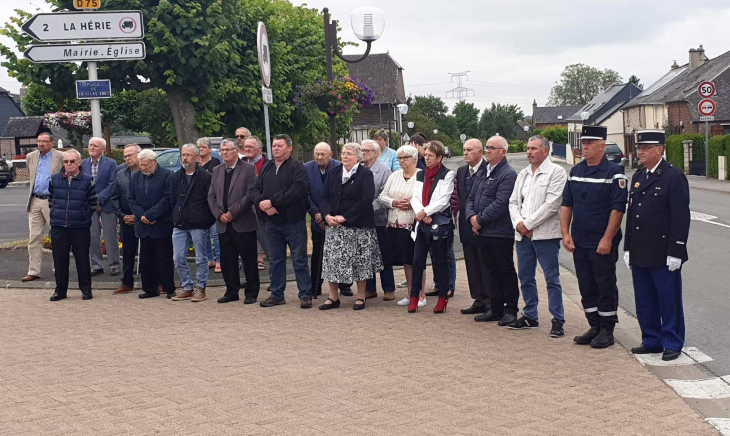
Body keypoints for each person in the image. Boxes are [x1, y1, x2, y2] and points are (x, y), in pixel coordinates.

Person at [624, 130, 690, 361]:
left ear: (659, 150)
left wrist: (677, 251)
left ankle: (672, 341)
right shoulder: (638, 176)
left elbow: (681, 217)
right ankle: (651, 339)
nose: (639, 152)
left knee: (668, 300)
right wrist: (628, 247)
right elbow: (633, 214)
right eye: (639, 148)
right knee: (645, 299)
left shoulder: (673, 177)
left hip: (663, 252)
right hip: (641, 249)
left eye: (645, 148)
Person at [561, 125, 628, 348]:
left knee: (604, 283)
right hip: (580, 239)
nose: (585, 147)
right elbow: (567, 204)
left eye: (590, 144)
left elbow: (617, 209)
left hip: (601, 241)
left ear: (602, 146)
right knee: (586, 284)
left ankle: (607, 329)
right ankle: (595, 325)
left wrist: (608, 238)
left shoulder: (614, 174)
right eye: (583, 143)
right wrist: (565, 233)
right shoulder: (576, 172)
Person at [508, 135, 568, 337]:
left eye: (534, 148)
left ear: (545, 150)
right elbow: (513, 202)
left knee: (552, 278)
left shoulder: (557, 172)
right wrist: (519, 224)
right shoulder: (523, 174)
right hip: (523, 235)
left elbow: (552, 204)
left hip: (545, 236)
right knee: (525, 276)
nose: (529, 152)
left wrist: (529, 224)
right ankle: (530, 315)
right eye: (528, 148)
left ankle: (557, 319)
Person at [250, 134, 313, 308]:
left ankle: (305, 294)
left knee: (299, 259)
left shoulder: (297, 167)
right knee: (276, 259)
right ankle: (277, 294)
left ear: (289, 148)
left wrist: (273, 201)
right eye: (274, 146)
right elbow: (255, 188)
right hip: (272, 222)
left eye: (279, 146)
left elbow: (297, 190)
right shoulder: (267, 166)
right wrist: (262, 204)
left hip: (293, 221)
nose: (275, 148)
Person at [318, 142, 384, 310]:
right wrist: (327, 215)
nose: (345, 156)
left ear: (358, 157)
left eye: (349, 153)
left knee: (360, 261)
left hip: (358, 226)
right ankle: (333, 297)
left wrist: (345, 217)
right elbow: (323, 197)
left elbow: (366, 200)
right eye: (343, 153)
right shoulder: (333, 173)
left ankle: (361, 297)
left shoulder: (365, 174)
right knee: (332, 261)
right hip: (334, 226)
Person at [466, 135, 519, 326]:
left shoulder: (508, 174)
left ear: (503, 152)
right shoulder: (483, 172)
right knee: (491, 272)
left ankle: (511, 310)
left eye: (492, 148)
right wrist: (472, 217)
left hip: (500, 232)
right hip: (482, 232)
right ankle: (495, 308)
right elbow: (471, 197)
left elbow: (501, 203)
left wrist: (479, 220)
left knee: (505, 271)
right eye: (486, 147)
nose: (487, 151)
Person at [408, 140, 455, 314]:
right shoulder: (421, 174)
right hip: (422, 223)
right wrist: (421, 213)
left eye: (430, 156)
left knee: (440, 261)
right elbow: (414, 197)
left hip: (440, 223)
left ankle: (443, 296)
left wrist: (425, 212)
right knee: (418, 260)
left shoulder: (447, 175)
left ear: (440, 157)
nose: (426, 158)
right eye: (425, 155)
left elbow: (443, 201)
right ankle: (414, 296)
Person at [304, 142, 353, 297]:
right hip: (317, 219)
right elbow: (306, 194)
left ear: (330, 155)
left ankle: (344, 284)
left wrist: (330, 215)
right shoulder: (306, 168)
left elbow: (344, 195)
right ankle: (315, 286)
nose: (319, 157)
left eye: (323, 154)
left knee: (342, 254)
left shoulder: (340, 167)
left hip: (337, 218)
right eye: (316, 154)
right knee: (318, 254)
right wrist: (317, 213)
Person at [48, 149, 97, 301]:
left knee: (82, 259)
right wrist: (56, 214)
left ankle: (86, 289)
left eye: (72, 161)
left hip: (79, 227)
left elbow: (93, 203)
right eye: (66, 161)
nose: (68, 164)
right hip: (59, 226)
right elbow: (50, 200)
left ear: (79, 162)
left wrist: (82, 216)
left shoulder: (88, 180)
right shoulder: (54, 179)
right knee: (60, 259)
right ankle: (60, 290)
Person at [170, 144, 216, 303]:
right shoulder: (176, 177)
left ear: (197, 158)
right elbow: (172, 199)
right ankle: (187, 286)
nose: (185, 158)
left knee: (201, 257)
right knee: (178, 257)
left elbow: (211, 200)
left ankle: (201, 287)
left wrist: (207, 219)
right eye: (183, 154)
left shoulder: (206, 177)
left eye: (189, 155)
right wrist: (175, 215)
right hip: (180, 223)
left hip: (198, 223)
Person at [128, 149, 176, 299]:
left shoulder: (167, 175)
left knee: (164, 258)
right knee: (146, 260)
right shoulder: (136, 177)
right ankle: (150, 289)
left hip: (161, 224)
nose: (143, 168)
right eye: (141, 165)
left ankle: (169, 288)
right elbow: (131, 199)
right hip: (143, 225)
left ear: (155, 162)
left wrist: (150, 215)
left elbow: (167, 199)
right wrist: (142, 215)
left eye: (146, 165)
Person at [379, 145, 423, 306]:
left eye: (405, 158)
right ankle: (411, 293)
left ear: (414, 159)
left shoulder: (420, 175)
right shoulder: (395, 175)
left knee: (416, 260)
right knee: (405, 260)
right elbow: (382, 196)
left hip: (413, 223)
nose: (402, 161)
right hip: (395, 223)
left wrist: (412, 204)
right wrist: (394, 202)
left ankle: (421, 295)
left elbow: (425, 197)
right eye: (399, 158)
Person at [455, 139, 491, 315]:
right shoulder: (461, 171)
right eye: (464, 150)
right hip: (465, 224)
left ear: (480, 152)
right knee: (471, 263)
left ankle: (490, 300)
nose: (465, 153)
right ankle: (478, 298)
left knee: (485, 263)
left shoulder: (488, 169)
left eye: (469, 150)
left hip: (483, 223)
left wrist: (479, 219)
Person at [23, 132, 64, 282]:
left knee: (57, 237)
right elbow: (32, 175)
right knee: (34, 237)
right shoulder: (31, 157)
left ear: (52, 143)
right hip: (35, 200)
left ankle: (58, 269)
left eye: (44, 141)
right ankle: (33, 270)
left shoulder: (60, 156)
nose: (40, 144)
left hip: (52, 201)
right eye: (39, 141)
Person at [360, 140, 395, 300]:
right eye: (362, 150)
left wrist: (367, 210)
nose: (363, 153)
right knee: (365, 254)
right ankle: (369, 288)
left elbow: (384, 196)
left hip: (379, 219)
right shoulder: (358, 169)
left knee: (383, 254)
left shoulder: (384, 170)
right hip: (361, 220)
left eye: (367, 150)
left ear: (375, 153)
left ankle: (388, 289)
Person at [82, 137, 120, 277]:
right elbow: (82, 184)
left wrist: (99, 199)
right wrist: (92, 200)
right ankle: (96, 265)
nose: (91, 147)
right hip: (89, 205)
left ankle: (114, 265)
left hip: (107, 204)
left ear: (102, 149)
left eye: (95, 145)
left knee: (110, 236)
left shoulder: (111, 163)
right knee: (92, 236)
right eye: (90, 145)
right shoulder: (83, 164)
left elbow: (112, 183)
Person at [111, 144, 141, 295]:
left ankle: (158, 280)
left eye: (131, 155)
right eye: (125, 156)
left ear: (139, 154)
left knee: (151, 251)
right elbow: (115, 197)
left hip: (144, 219)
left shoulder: (147, 171)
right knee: (128, 252)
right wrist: (121, 215)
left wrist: (141, 215)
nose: (127, 158)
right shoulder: (120, 174)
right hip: (126, 219)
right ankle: (127, 282)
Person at [242, 136, 271, 271]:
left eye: (250, 147)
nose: (247, 149)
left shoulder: (268, 165)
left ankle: (275, 282)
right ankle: (251, 282)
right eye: (245, 146)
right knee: (247, 251)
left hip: (261, 214)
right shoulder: (240, 164)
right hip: (243, 214)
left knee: (269, 249)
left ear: (259, 149)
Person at [197, 137, 222, 272]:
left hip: (213, 200)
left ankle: (219, 260)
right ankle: (209, 258)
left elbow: (213, 179)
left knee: (215, 233)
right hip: (200, 202)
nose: (201, 149)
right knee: (204, 233)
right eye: (199, 147)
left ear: (210, 149)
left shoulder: (215, 162)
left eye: (203, 147)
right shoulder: (196, 163)